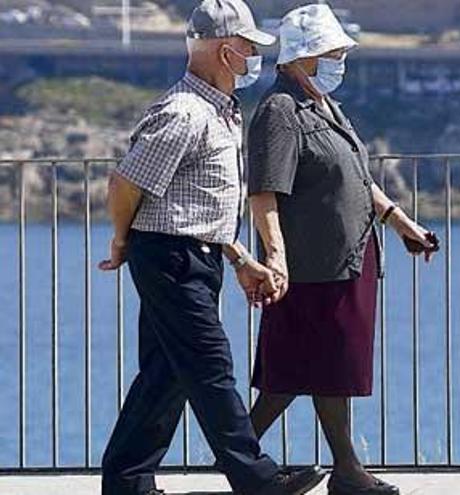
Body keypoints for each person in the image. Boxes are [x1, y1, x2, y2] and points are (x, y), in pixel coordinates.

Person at [98, 1, 326, 494]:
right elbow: (125, 184)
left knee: (166, 373)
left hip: (193, 255)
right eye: (248, 47)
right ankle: (257, 480)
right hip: (170, 255)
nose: (253, 57)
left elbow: (200, 205)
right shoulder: (185, 112)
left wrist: (241, 258)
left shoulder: (220, 111)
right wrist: (121, 241)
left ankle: (126, 481)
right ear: (226, 51)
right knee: (211, 364)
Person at [245, 5, 438, 495]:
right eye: (334, 54)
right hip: (310, 264)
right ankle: (244, 461)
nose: (340, 63)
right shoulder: (280, 112)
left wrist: (400, 223)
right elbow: (265, 192)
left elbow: (357, 179)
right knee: (292, 370)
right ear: (305, 56)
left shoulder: (324, 106)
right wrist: (276, 256)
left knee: (326, 366)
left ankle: (342, 470)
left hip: (347, 259)